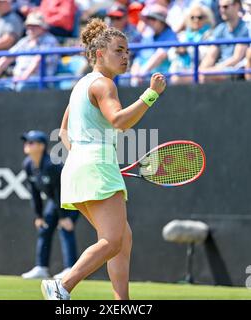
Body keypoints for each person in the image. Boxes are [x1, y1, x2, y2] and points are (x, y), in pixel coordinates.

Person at [40, 18, 167, 300]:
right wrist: (151, 95)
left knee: (123, 239)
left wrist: (88, 160)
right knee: (112, 241)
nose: (126, 57)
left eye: (127, 51)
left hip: (78, 168)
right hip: (94, 165)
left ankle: (122, 302)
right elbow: (119, 121)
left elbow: (63, 132)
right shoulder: (104, 84)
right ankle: (62, 285)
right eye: (119, 50)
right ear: (99, 54)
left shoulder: (80, 85)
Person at [20, 130, 80, 280]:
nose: (27, 145)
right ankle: (41, 267)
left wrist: (65, 216)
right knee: (44, 229)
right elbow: (34, 192)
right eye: (26, 142)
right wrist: (39, 215)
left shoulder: (52, 165)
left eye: (31, 142)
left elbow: (61, 190)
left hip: (72, 197)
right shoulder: (27, 165)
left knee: (65, 228)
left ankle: (70, 268)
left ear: (41, 146)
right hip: (56, 200)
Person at [0, 11, 59, 91]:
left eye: (35, 25)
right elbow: (7, 58)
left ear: (43, 27)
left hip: (41, 82)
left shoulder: (50, 40)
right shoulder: (24, 41)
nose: (31, 28)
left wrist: (23, 77)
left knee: (22, 87)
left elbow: (38, 60)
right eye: (29, 25)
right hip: (18, 80)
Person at [199, 0, 249, 83]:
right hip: (219, 69)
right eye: (220, 7)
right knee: (178, 78)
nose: (222, 10)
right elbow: (211, 56)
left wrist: (211, 70)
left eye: (225, 7)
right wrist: (200, 71)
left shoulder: (245, 28)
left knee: (205, 76)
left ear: (237, 6)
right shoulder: (220, 28)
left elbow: (236, 59)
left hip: (235, 70)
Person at [130, 4, 177, 86]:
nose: (149, 21)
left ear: (161, 21)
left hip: (163, 83)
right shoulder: (147, 37)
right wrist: (134, 77)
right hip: (144, 81)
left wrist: (142, 73)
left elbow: (161, 55)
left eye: (152, 18)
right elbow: (138, 60)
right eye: (148, 18)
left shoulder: (170, 35)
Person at [168, 3, 215, 84]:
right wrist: (177, 51)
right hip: (181, 70)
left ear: (206, 18)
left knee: (176, 79)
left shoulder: (210, 34)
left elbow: (207, 54)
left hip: (198, 70)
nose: (196, 20)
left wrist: (187, 50)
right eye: (192, 17)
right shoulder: (183, 35)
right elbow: (170, 54)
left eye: (199, 17)